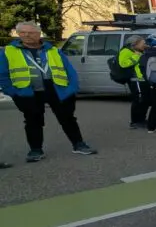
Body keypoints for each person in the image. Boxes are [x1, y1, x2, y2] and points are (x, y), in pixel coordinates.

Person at [0, 21, 96, 162]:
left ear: (39, 34)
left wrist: (72, 88)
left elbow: (69, 70)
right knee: (33, 121)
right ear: (18, 34)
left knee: (68, 118)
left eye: (31, 32)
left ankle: (79, 144)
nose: (26, 35)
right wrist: (13, 92)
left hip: (57, 88)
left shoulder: (53, 50)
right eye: (22, 33)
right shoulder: (8, 51)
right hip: (28, 90)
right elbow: (3, 75)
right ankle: (36, 150)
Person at [119, 35, 148, 129]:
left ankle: (142, 119)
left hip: (143, 79)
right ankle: (134, 122)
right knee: (138, 100)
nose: (144, 45)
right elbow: (123, 64)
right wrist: (136, 56)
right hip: (135, 79)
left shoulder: (140, 51)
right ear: (135, 44)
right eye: (142, 43)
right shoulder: (126, 51)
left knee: (144, 100)